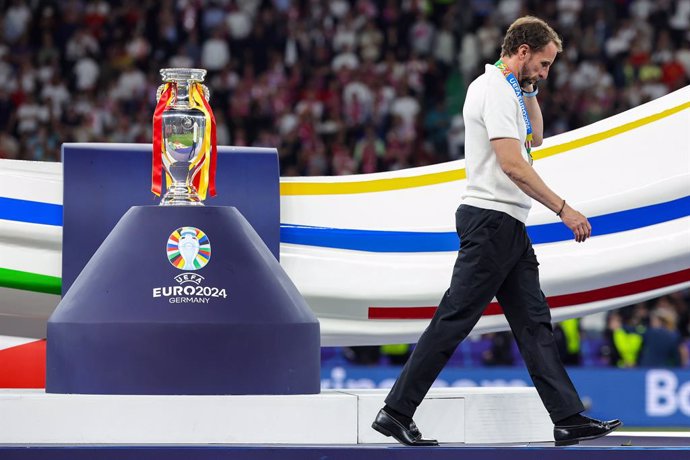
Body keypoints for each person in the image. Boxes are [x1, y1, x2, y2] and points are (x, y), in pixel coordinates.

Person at [371, 16, 621, 447]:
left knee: (534, 323)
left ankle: (567, 418)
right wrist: (564, 209)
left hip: (504, 223)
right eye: (542, 64)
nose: (545, 74)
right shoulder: (492, 89)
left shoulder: (509, 90)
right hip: (491, 221)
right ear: (521, 52)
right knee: (454, 320)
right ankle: (395, 412)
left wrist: (529, 89)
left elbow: (536, 138)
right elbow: (513, 163)